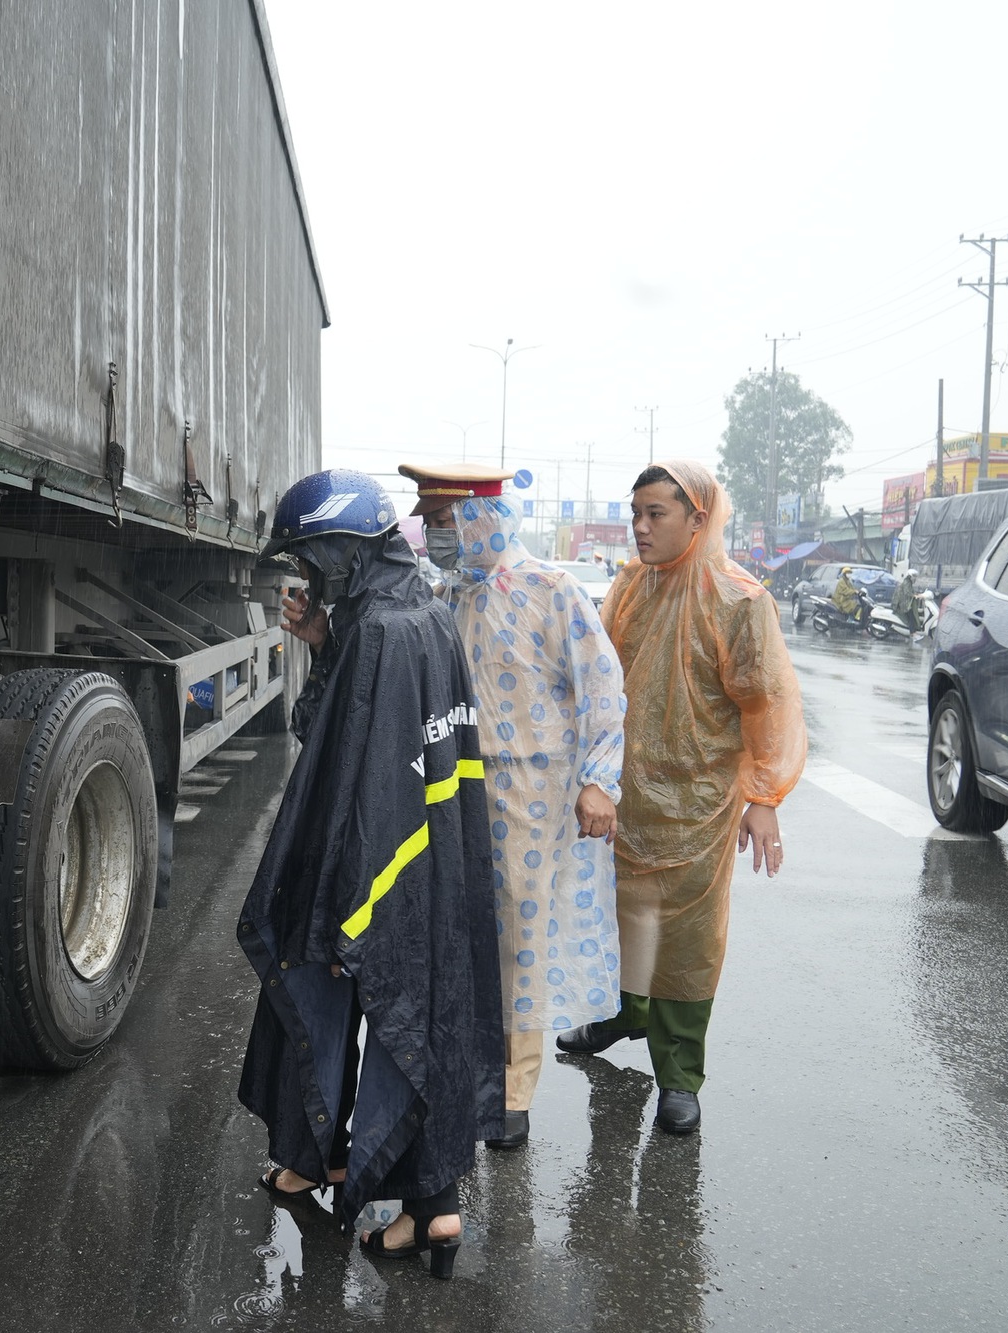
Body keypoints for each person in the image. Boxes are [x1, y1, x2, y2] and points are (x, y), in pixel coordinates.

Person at [237, 467, 503, 1280]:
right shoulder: (420, 611)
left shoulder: (380, 632)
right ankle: (407, 1192)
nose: (306, 580)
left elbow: (331, 750)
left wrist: (345, 893)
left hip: (368, 863)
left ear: (343, 551)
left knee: (344, 995)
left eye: (312, 563)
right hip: (431, 861)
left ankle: (359, 1175)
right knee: (417, 1012)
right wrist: (323, 640)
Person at [555, 460, 806, 1135]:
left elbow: (766, 703)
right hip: (627, 793)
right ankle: (619, 1015)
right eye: (634, 513)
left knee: (688, 940)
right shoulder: (631, 585)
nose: (638, 528)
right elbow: (602, 678)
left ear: (698, 517)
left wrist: (764, 795)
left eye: (654, 514)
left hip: (700, 802)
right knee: (622, 917)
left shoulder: (740, 600)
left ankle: (679, 1072)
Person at [399, 462, 626, 1150]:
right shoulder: (449, 597)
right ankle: (469, 1068)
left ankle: (514, 1088)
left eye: (442, 521)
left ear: (479, 517)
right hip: (458, 785)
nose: (436, 536)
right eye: (431, 523)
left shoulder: (551, 589)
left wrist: (598, 780)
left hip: (533, 790)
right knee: (463, 929)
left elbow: (604, 688)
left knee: (521, 939)